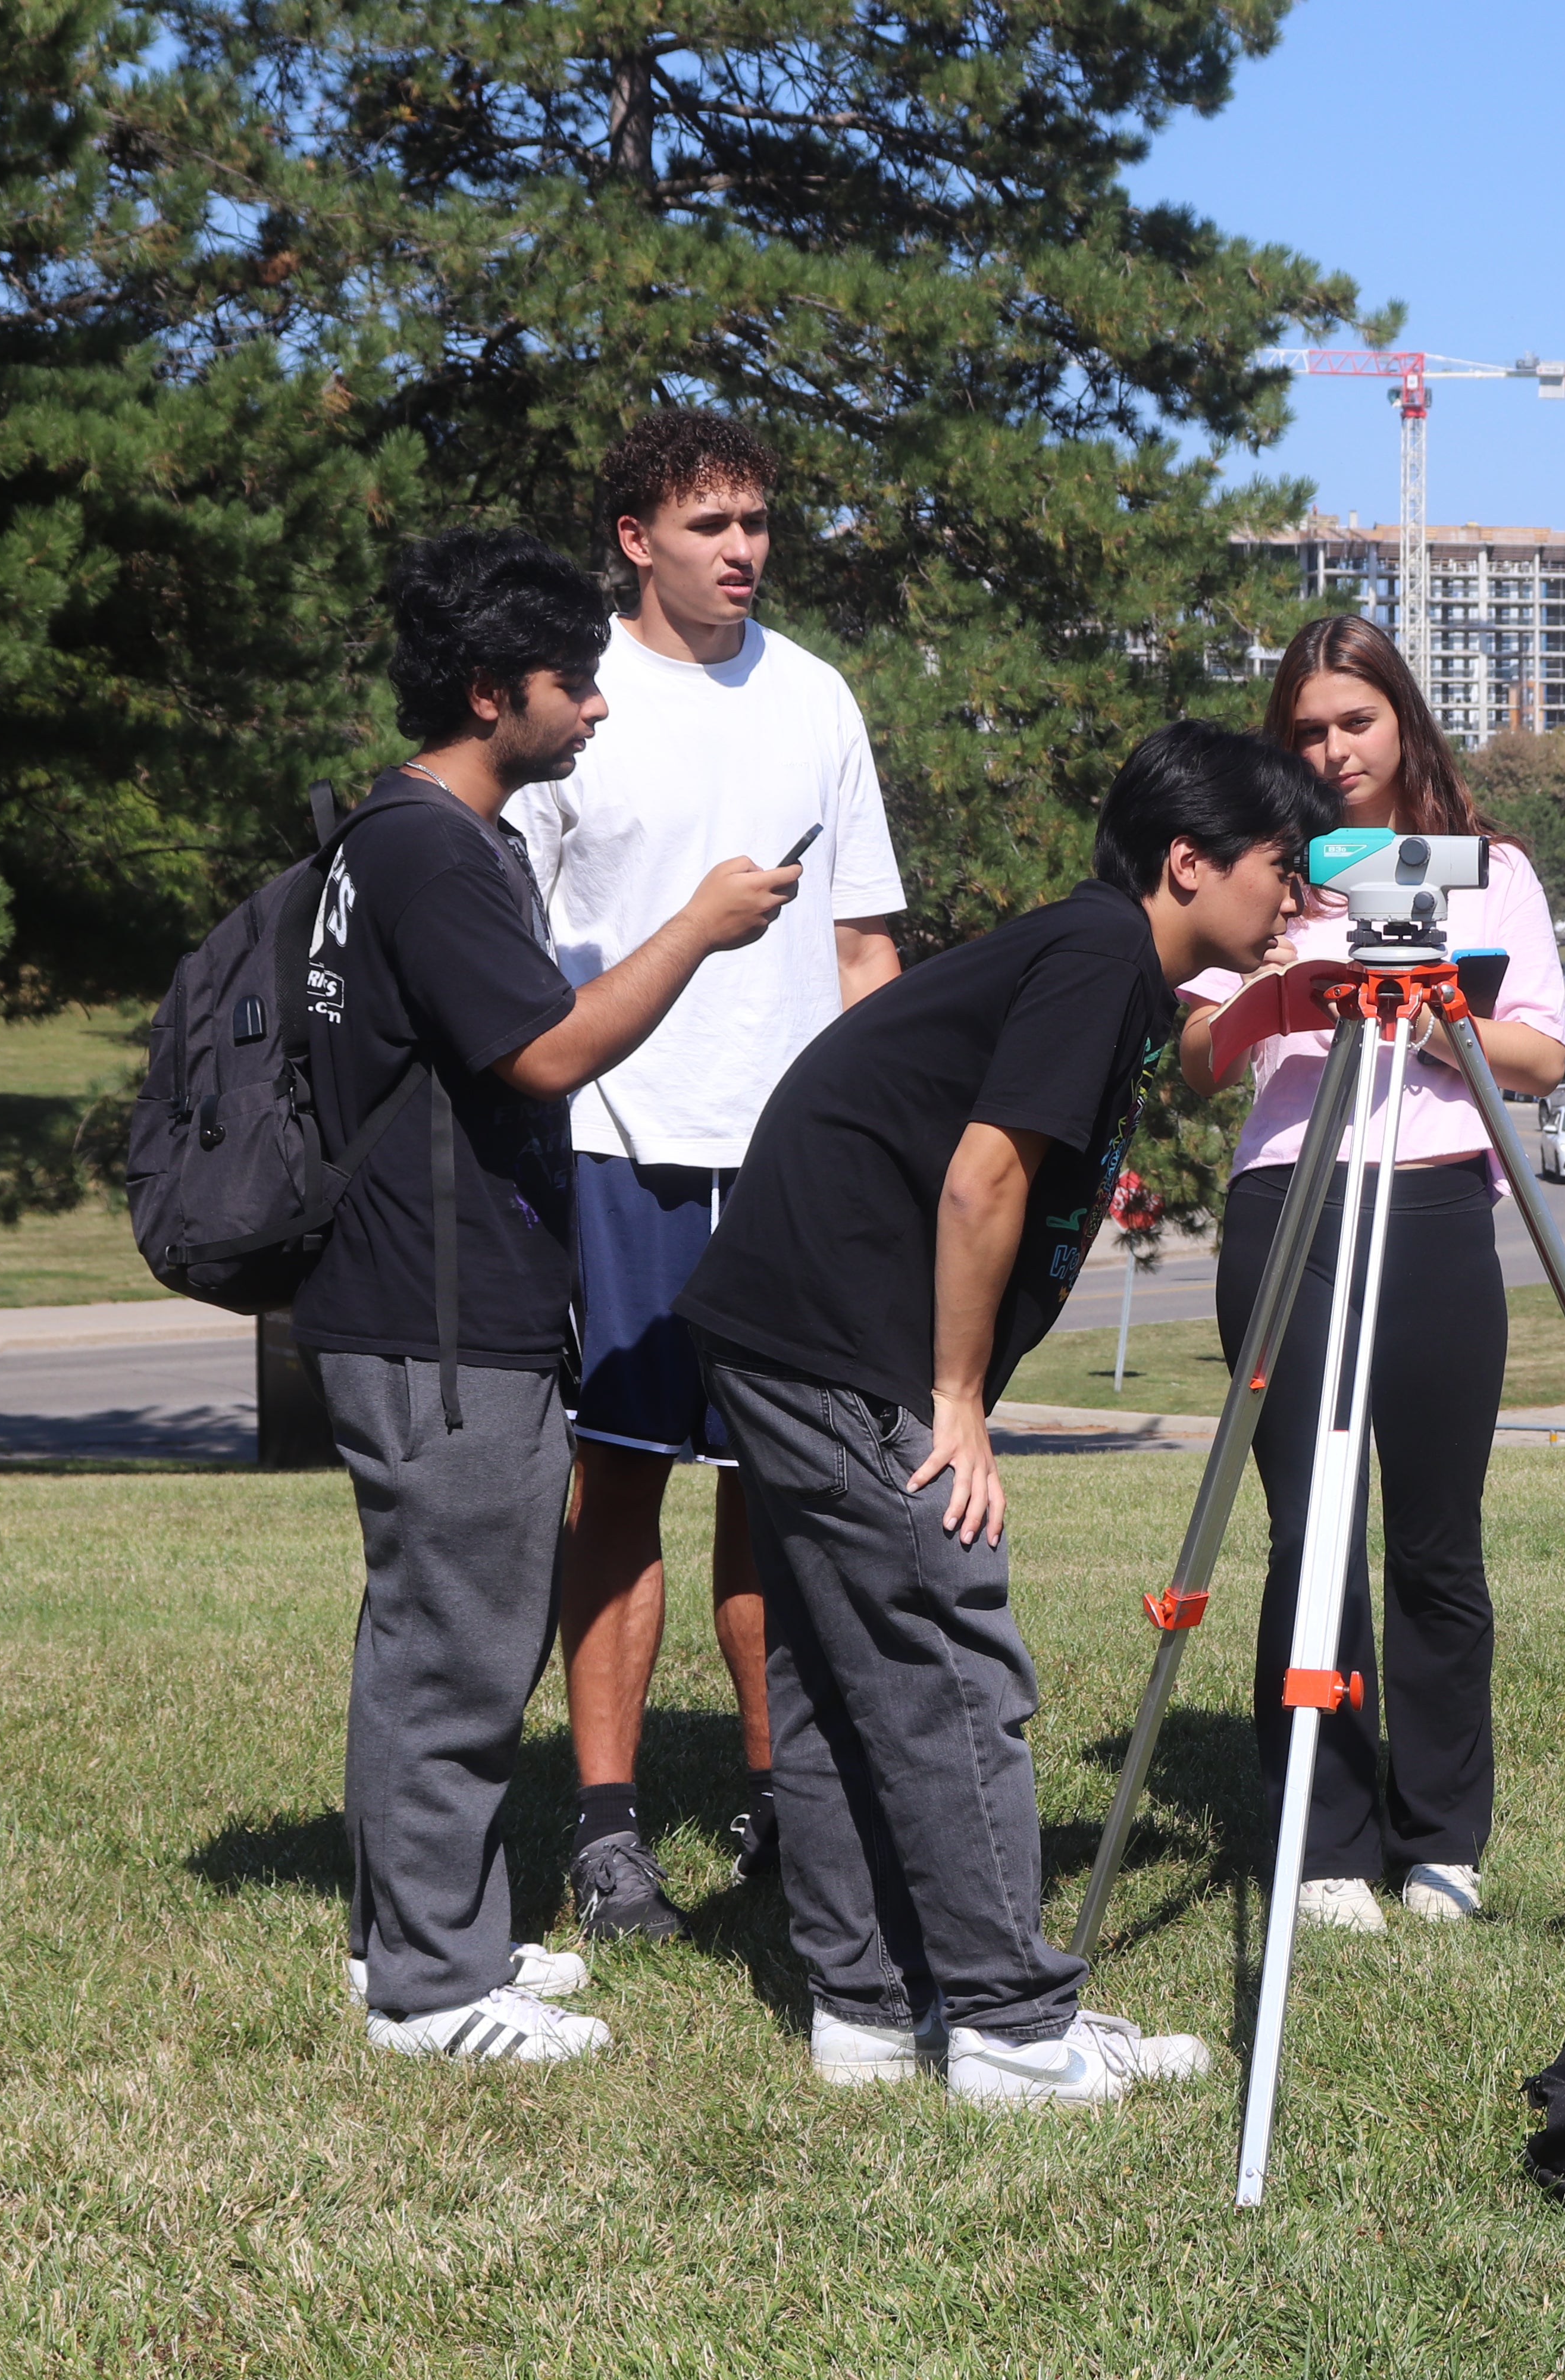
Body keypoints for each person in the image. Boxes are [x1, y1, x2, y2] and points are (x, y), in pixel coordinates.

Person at [675, 719, 1332, 2105]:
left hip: (783, 1311)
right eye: (1283, 864)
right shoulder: (1098, 957)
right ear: (1188, 858)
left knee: (841, 1662)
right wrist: (954, 1401)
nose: (1297, 894)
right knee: (949, 1649)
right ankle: (1008, 2023)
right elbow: (984, 1179)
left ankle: (865, 2002)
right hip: (841, 1333)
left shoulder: (1103, 962)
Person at [303, 530, 801, 2062]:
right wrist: (698, 932)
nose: (595, 710)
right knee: (456, 1640)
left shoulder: (423, 838)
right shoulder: (429, 850)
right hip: (434, 1312)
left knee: (440, 1629)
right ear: (486, 693)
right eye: (569, 686)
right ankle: (433, 1992)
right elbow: (550, 1052)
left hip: (445, 1302)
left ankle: (426, 1929)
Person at [505, 408, 911, 1943]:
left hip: (798, 1160)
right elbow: (514, 949)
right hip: (619, 1144)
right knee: (620, 1484)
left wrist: (890, 1144)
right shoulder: (576, 702)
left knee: (783, 1484)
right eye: (711, 526)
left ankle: (780, 1803)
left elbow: (864, 943)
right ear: (637, 540)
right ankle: (609, 1834)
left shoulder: (817, 694)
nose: (744, 551)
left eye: (757, 523)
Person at [1176, 617, 1565, 1937]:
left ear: (1402, 719)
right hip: (1290, 1194)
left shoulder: (1493, 870)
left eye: (1356, 721)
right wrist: (1285, 993)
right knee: (1313, 1534)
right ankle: (1324, 1829)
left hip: (1440, 1198)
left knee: (1438, 1537)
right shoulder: (1265, 876)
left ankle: (1443, 1830)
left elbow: (1542, 1056)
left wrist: (1430, 1004)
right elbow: (1196, 1059)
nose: (1335, 750)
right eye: (1308, 729)